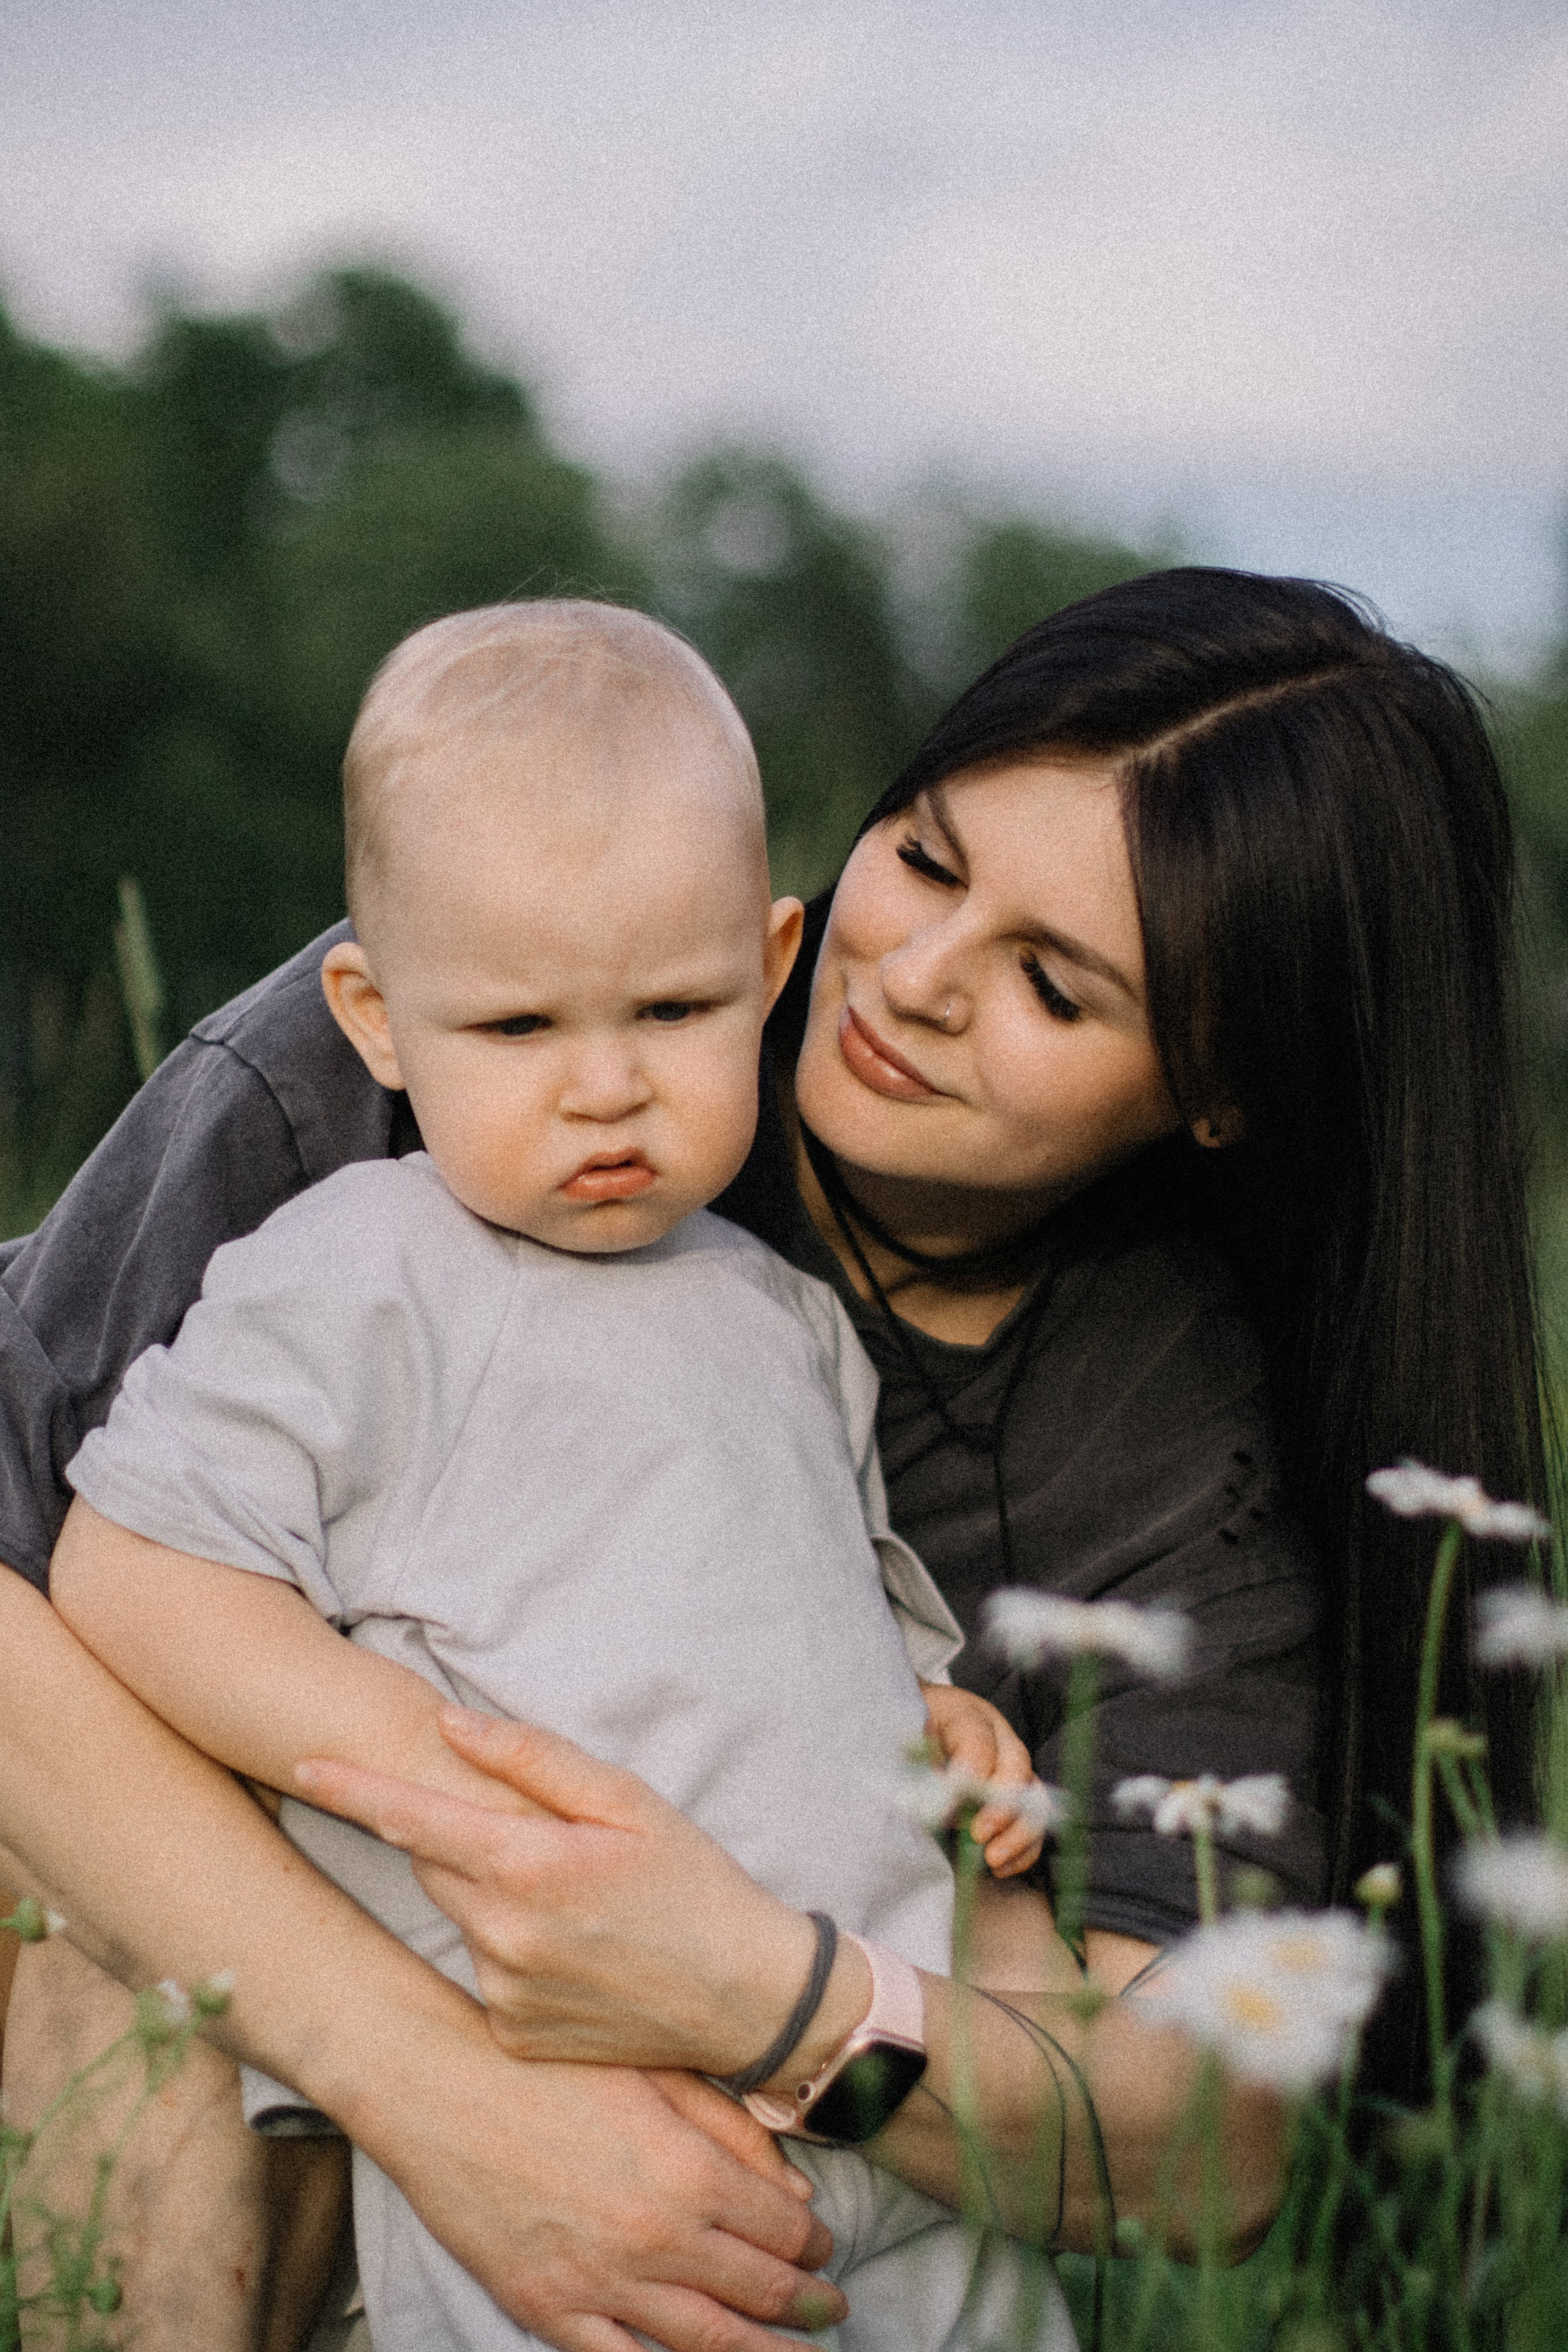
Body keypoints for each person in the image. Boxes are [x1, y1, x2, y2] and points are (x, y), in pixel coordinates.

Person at [0, 568, 1539, 2346]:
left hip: (765, 2171)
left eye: (1052, 982)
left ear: (1220, 1086)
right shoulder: (470, 1020)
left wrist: (779, 2005)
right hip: (266, 2014)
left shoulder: (1171, 1456)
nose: (917, 981)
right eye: (930, 861)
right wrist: (446, 2096)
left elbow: (1205, 2145)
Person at [51, 598, 1066, 2352]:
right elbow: (133, 1573)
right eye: (518, 1031)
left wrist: (948, 1734)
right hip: (563, 2114)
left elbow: (830, 1619)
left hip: (867, 2101)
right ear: (375, 1015)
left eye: (674, 1010)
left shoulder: (783, 1317)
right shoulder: (356, 1268)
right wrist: (443, 1787)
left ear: (771, 968)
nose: (607, 1089)